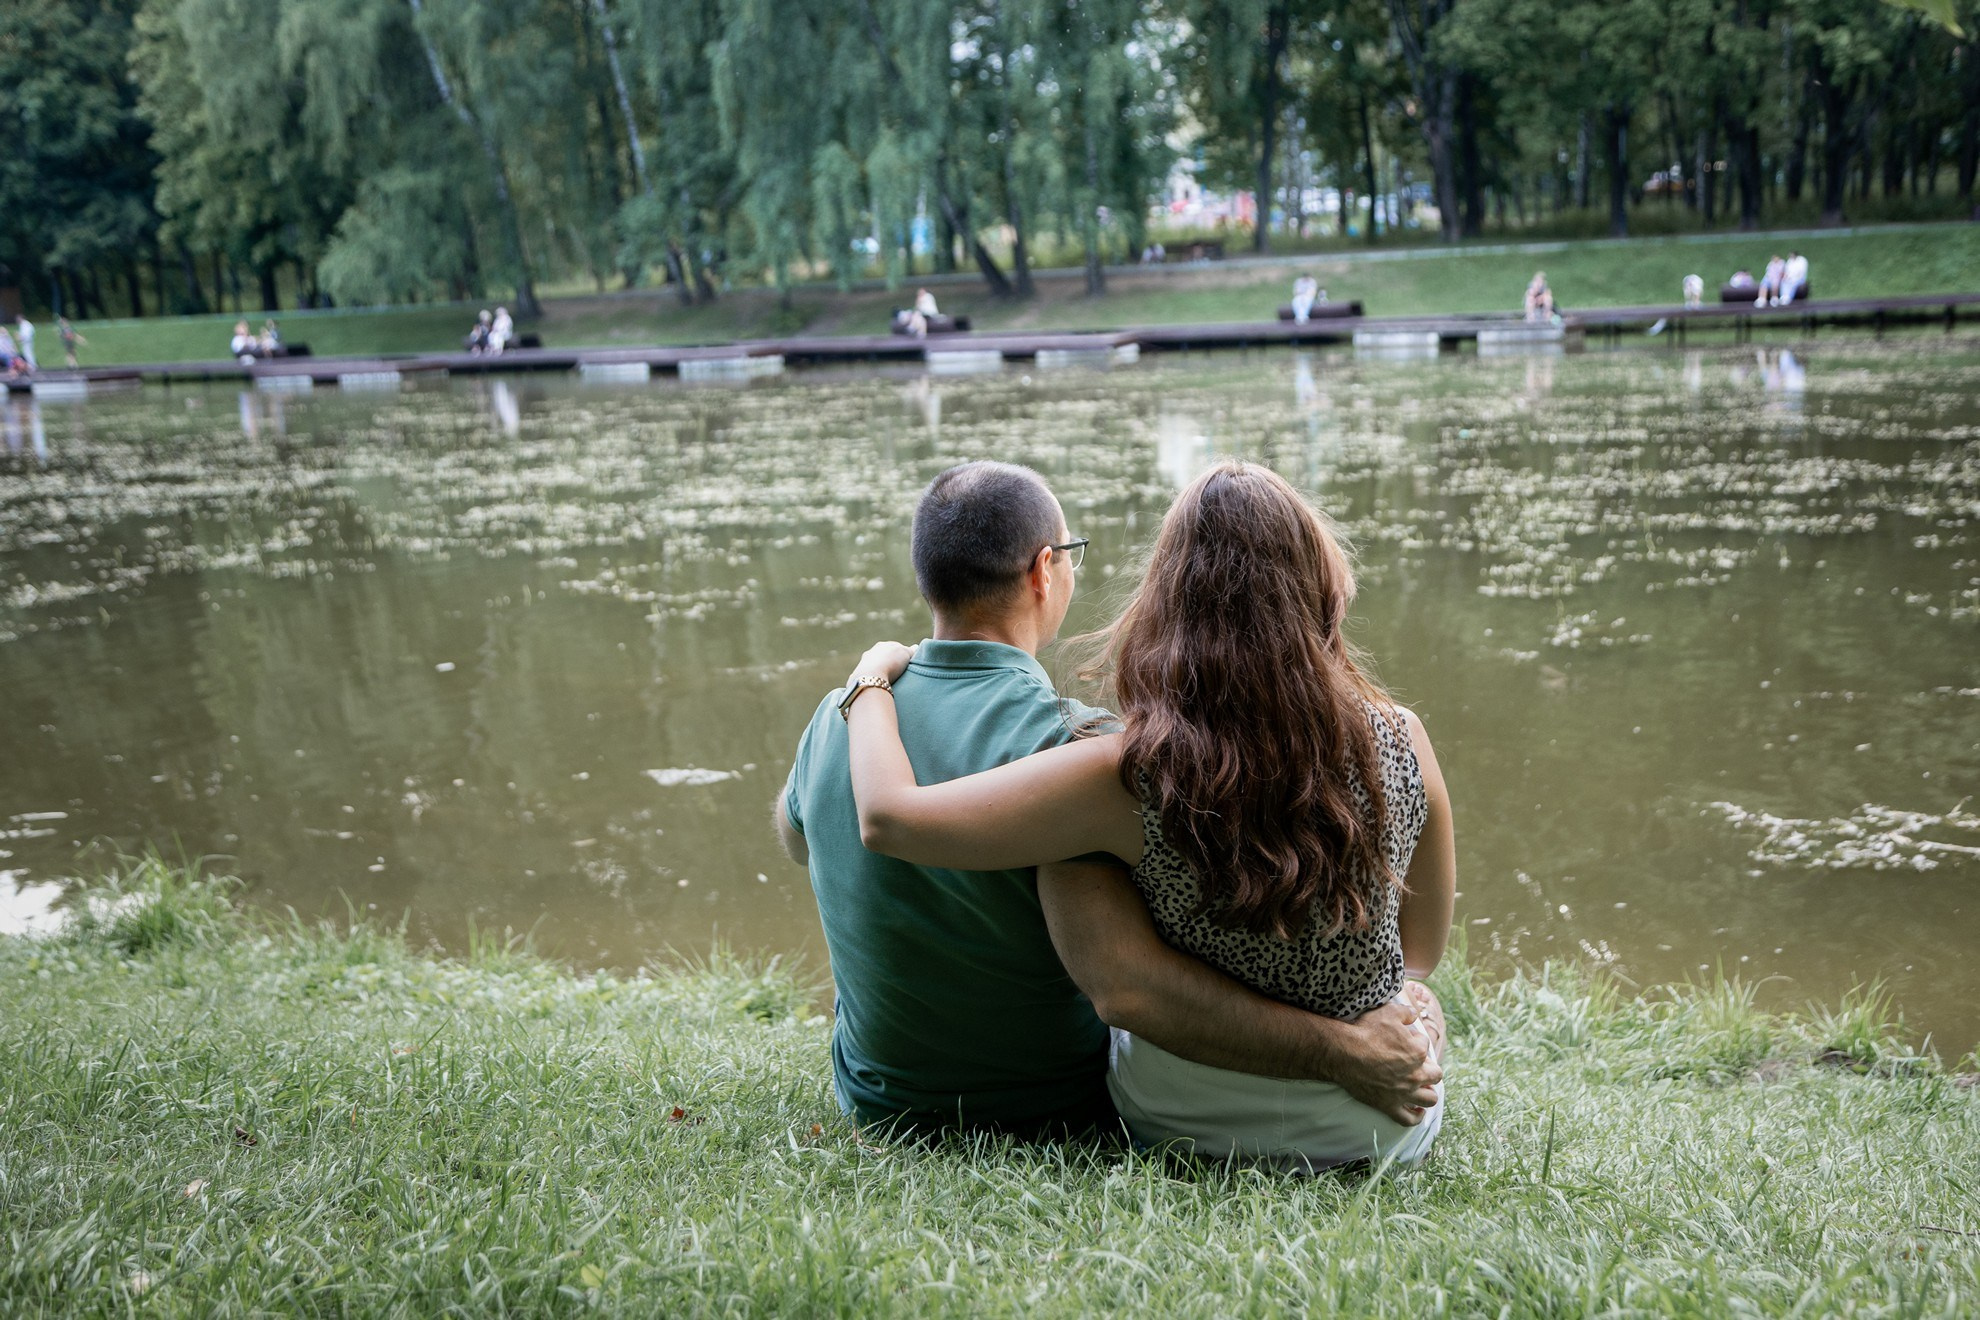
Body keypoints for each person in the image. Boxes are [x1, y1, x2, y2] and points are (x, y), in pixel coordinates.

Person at [776, 461, 1443, 1144]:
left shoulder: (845, 718)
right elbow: (1128, 984)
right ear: (1044, 570)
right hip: (1062, 1106)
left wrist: (863, 685)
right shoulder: (1084, 748)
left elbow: (802, 838)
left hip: (885, 1099)